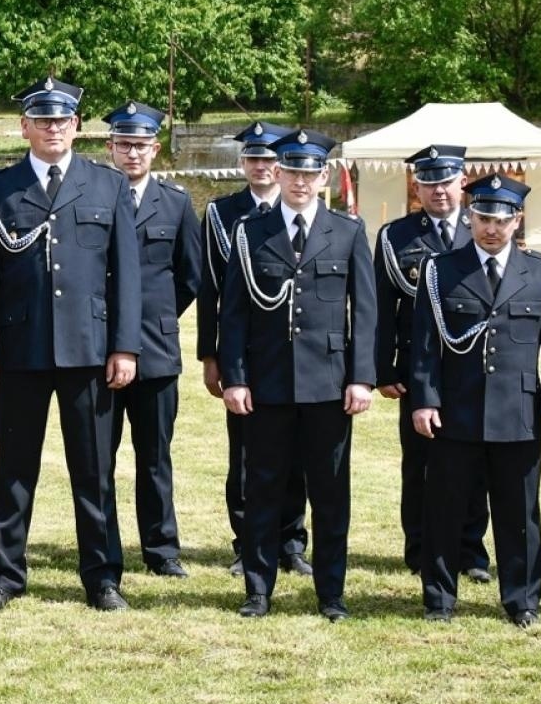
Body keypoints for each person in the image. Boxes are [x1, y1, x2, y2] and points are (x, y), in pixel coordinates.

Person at [0, 77, 141, 612]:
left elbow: (125, 276)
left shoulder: (107, 186)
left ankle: (102, 578)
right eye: (42, 120)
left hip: (89, 351)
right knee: (16, 468)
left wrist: (125, 347)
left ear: (77, 126)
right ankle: (7, 574)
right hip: (21, 350)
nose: (53, 129)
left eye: (62, 120)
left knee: (94, 470)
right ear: (25, 127)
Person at [219, 129, 374, 622]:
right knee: (262, 489)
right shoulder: (251, 232)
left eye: (310, 172)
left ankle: (331, 593)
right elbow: (234, 314)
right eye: (293, 171)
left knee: (330, 494)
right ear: (278, 173)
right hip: (267, 385)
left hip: (328, 385)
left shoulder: (348, 231)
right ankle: (258, 590)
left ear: (323, 176)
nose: (301, 181)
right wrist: (235, 377)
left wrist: (361, 378)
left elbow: (365, 313)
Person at [410, 175, 541, 627]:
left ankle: (521, 599)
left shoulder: (540, 272)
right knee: (444, 507)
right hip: (455, 412)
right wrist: (425, 400)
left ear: (517, 221)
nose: (491, 229)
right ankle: (439, 597)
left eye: (501, 220)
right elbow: (424, 344)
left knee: (519, 512)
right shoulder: (441, 270)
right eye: (482, 219)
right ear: (470, 216)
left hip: (516, 412)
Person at [373, 145, 492, 582]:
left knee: (475, 462)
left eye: (446, 181)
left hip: (474, 367)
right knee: (420, 462)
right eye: (429, 182)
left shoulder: (485, 226)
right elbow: (382, 308)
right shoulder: (396, 237)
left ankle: (471, 551)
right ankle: (420, 546)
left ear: (462, 181)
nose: (439, 191)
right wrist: (382, 369)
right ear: (416, 186)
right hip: (417, 369)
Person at [199, 121, 311, 578]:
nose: (262, 166)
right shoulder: (223, 214)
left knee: (298, 454)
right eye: (254, 158)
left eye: (270, 159)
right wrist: (212, 355)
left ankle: (291, 541)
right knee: (246, 455)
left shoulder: (304, 210)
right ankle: (248, 542)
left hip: (298, 353)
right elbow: (210, 289)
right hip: (246, 350)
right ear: (243, 163)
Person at [103, 100, 202, 577]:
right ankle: (104, 548)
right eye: (124, 145)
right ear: (110, 148)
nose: (132, 154)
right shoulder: (95, 196)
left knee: (154, 458)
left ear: (155, 149)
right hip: (101, 351)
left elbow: (189, 275)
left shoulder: (177, 202)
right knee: (98, 457)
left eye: (141, 146)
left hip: (158, 352)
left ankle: (162, 550)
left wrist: (157, 318)